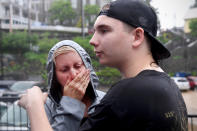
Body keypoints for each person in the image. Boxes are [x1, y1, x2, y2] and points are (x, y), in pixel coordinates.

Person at [19, 0, 188, 131]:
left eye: (104, 30)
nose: (92, 41)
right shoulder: (167, 84)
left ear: (137, 36)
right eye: (63, 69)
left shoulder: (128, 93)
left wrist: (34, 103)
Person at [21, 40, 106, 130]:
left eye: (77, 66)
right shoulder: (45, 107)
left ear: (87, 67)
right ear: (54, 77)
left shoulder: (104, 100)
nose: (73, 74)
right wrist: (71, 101)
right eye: (64, 70)